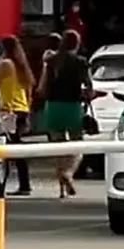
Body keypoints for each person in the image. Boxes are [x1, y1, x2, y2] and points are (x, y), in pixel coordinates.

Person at [37, 29, 91, 198]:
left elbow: (42, 87)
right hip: (73, 106)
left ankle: (61, 188)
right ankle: (68, 172)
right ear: (77, 44)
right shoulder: (81, 62)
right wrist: (87, 95)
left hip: (53, 106)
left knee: (58, 147)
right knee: (78, 146)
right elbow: (89, 86)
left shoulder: (51, 61)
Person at [0, 36, 34, 196]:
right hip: (21, 109)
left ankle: (7, 185)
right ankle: (24, 183)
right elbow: (29, 91)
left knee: (7, 149)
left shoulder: (5, 64)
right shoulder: (21, 65)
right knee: (16, 148)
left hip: (9, 111)